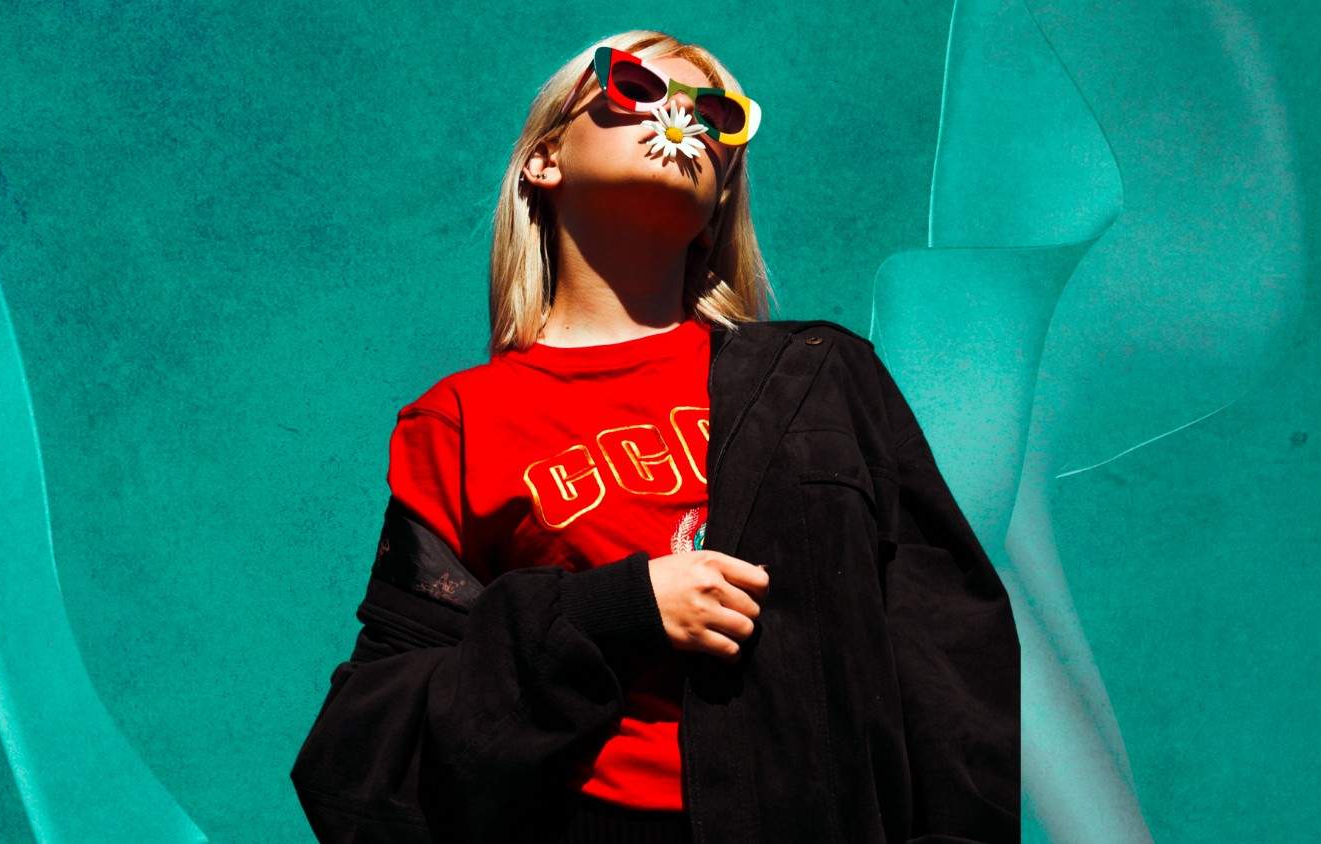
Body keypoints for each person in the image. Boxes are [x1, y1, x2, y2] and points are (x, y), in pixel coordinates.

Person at [291, 29, 1020, 844]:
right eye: (635, 86)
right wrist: (615, 609)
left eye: (719, 114)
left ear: (721, 200)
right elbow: (374, 743)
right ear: (544, 160)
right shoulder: (459, 421)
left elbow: (950, 657)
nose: (683, 118)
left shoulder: (819, 380)